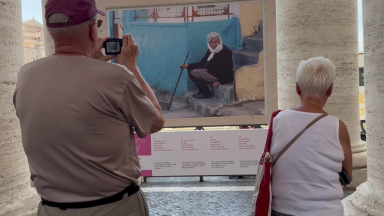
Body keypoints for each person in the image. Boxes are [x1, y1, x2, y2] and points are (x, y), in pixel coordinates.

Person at [13, 0, 164, 215]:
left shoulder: (25, 76)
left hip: (52, 209)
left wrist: (90, 64)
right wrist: (131, 67)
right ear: (93, 29)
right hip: (114, 208)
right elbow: (156, 122)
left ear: (50, 29)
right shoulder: (117, 78)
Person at [270, 57, 353, 216]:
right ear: (330, 90)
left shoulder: (278, 120)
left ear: (297, 88)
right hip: (327, 211)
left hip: (282, 210)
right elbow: (348, 175)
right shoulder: (338, 127)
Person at [180, 32, 234, 99]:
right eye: (212, 42)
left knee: (194, 72)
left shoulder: (225, 51)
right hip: (210, 72)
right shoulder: (211, 50)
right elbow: (202, 63)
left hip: (217, 75)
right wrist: (188, 66)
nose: (214, 44)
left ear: (219, 42)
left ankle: (207, 93)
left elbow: (227, 68)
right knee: (190, 70)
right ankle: (202, 91)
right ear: (209, 43)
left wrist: (220, 81)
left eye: (216, 42)